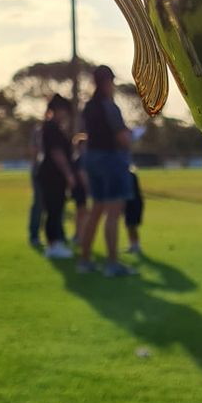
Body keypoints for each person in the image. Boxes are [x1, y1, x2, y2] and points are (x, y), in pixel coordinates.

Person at [77, 66, 136, 275]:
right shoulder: (109, 107)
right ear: (107, 82)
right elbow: (122, 138)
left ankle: (84, 260)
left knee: (96, 211)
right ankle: (112, 263)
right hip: (111, 160)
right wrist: (131, 137)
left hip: (92, 159)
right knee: (113, 213)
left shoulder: (89, 107)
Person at [38, 94, 80, 259]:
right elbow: (57, 153)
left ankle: (55, 241)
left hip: (55, 176)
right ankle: (53, 245)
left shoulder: (55, 127)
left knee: (57, 208)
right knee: (53, 209)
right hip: (52, 175)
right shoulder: (51, 128)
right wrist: (68, 174)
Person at [27, 117, 45, 250]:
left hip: (51, 174)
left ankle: (56, 236)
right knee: (38, 204)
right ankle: (34, 235)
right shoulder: (39, 131)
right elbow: (34, 151)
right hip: (39, 172)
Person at [124, 165, 144, 257]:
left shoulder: (130, 175)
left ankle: (136, 245)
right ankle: (132, 245)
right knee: (129, 225)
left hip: (134, 203)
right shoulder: (128, 175)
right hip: (129, 202)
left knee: (132, 225)